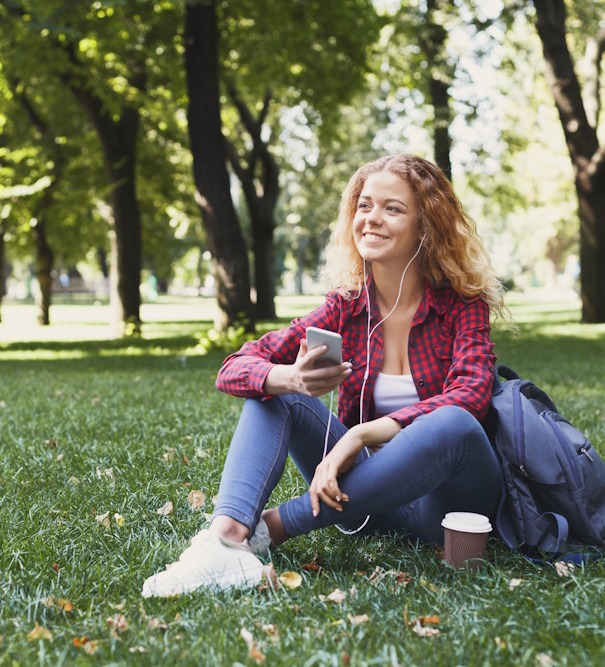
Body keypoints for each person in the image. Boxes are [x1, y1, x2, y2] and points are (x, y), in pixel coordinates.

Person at [142, 153, 508, 598]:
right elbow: (234, 366)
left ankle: (272, 528)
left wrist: (359, 437)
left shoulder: (462, 305)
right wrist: (288, 378)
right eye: (364, 205)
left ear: (425, 226)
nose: (371, 219)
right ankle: (227, 539)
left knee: (452, 423)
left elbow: (469, 395)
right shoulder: (346, 306)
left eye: (392, 208)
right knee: (274, 392)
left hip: (449, 511)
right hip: (370, 504)